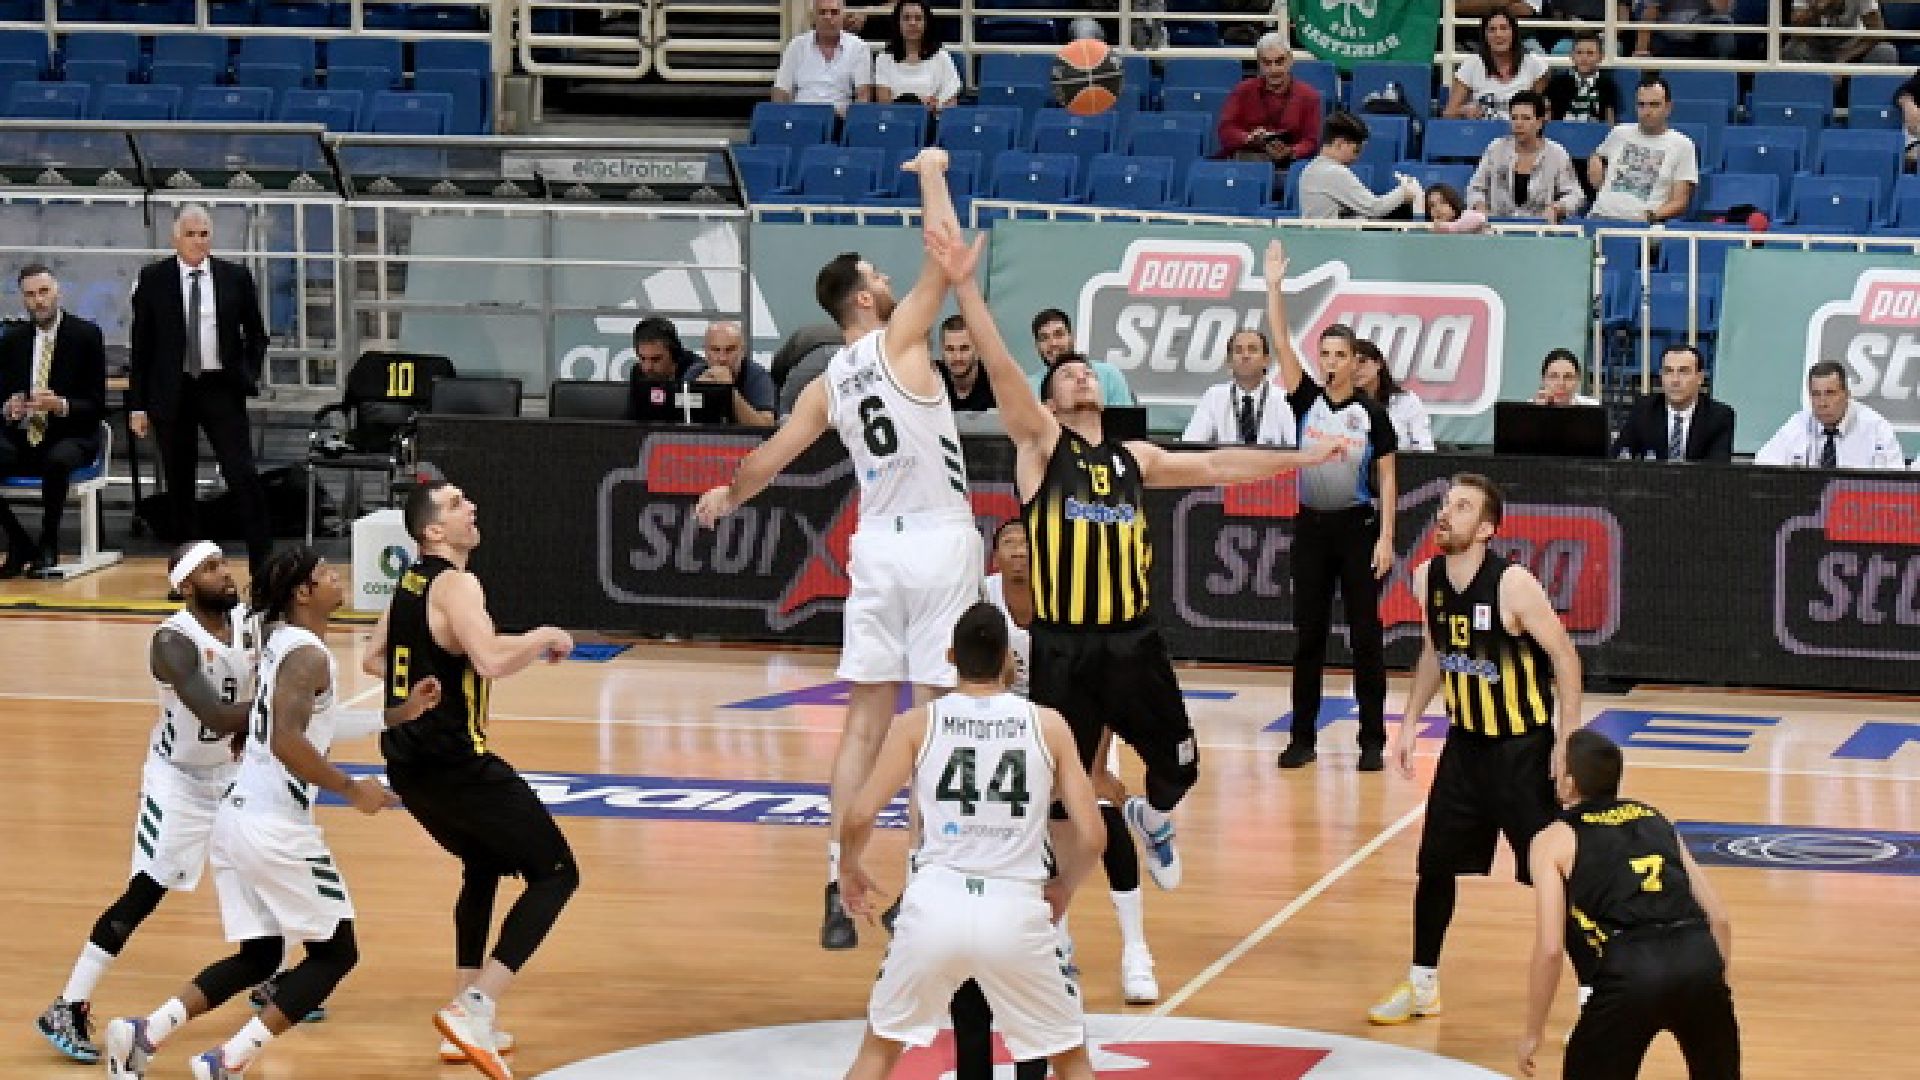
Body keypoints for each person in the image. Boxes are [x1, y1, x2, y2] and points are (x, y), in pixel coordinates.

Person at [923, 220, 1337, 894]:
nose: (1080, 377)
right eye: (1067, 374)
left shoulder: (1134, 459)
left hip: (1134, 642)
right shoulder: (1040, 446)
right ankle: (1048, 914)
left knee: (1181, 768)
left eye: (1087, 371)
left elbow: (1221, 465)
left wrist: (1302, 458)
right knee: (1062, 793)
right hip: (1063, 645)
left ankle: (1153, 816)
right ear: (1049, 399)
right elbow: (1000, 367)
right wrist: (966, 289)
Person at [697, 147, 981, 951]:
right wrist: (932, 174)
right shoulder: (903, 338)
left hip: (877, 548)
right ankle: (920, 885)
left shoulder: (825, 386)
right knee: (936, 718)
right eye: (878, 276)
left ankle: (835, 879)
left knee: (863, 724)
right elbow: (947, 257)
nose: (889, 281)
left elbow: (766, 460)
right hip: (938, 538)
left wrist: (728, 496)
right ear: (864, 297)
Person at [103, 547, 408, 1080]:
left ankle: (143, 1034)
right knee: (336, 954)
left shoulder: (282, 642)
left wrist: (398, 715)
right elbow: (288, 740)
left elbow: (314, 724)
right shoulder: (306, 655)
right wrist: (349, 789)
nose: (338, 578)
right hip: (274, 827)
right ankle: (226, 1060)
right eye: (326, 574)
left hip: (236, 818)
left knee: (262, 956)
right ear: (303, 593)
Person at [363, 479, 580, 1077]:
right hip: (456, 763)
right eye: (458, 504)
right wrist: (541, 636)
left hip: (407, 765)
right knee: (556, 873)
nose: (472, 507)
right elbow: (489, 659)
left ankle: (463, 1017)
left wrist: (429, 675)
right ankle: (476, 1005)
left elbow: (375, 657)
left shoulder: (410, 582)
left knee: (483, 865)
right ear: (434, 530)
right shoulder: (458, 584)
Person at [837, 604, 1106, 1080]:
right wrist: (1064, 885)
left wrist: (849, 868)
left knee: (879, 1050)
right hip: (1014, 907)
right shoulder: (1048, 725)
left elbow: (859, 814)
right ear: (1008, 659)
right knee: (1070, 1059)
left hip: (934, 905)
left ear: (949, 657)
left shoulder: (917, 723)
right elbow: (1094, 836)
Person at [1370, 473, 1589, 1025]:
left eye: (1462, 507)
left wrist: (1566, 742)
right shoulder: (1426, 578)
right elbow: (1434, 653)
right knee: (1434, 867)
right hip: (1464, 749)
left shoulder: (1513, 585)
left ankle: (1594, 993)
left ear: (1487, 528)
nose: (1446, 513)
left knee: (1552, 874)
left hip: (1522, 752)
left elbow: (1566, 658)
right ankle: (1423, 984)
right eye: (1446, 504)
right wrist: (1409, 722)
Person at [34, 544, 255, 1064]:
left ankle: (271, 975)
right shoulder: (172, 642)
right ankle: (67, 1004)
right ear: (185, 586)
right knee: (146, 891)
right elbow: (218, 717)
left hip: (233, 774)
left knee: (262, 867)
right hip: (178, 781)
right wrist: (280, 709)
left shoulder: (250, 623)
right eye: (211, 569)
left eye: (224, 563)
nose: (226, 574)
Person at [982, 517, 1159, 1004]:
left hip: (1080, 724)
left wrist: (1095, 769)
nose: (1019, 550)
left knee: (1104, 825)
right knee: (1029, 834)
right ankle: (1056, 942)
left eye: (1027, 541)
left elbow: (1105, 684)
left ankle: (1136, 949)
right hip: (1014, 733)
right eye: (1009, 541)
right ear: (994, 557)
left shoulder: (1070, 599)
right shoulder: (982, 599)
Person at [1517, 728, 1741, 1079]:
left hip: (1633, 971)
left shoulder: (1552, 840)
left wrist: (1534, 1031)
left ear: (1570, 784)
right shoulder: (1656, 819)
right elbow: (1720, 919)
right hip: (1698, 957)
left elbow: (1550, 949)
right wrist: (1713, 985)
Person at [1266, 240, 1400, 773]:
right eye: (1324, 353)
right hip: (1312, 530)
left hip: (1358, 529)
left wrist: (1387, 537)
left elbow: (1388, 477)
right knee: (1309, 637)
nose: (1330, 362)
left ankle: (1372, 740)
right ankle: (1303, 737)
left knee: (1366, 637)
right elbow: (1280, 340)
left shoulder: (1372, 413)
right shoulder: (1305, 398)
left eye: (1339, 355)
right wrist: (1274, 285)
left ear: (1354, 362)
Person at [128, 204, 271, 580]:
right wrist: (138, 405)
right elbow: (142, 346)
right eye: (190, 234)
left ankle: (264, 568)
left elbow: (256, 334)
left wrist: (247, 374)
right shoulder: (153, 278)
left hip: (220, 387)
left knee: (242, 474)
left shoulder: (234, 276)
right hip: (172, 389)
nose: (197, 241)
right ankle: (189, 573)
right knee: (180, 483)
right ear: (175, 239)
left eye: (204, 234)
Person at [0, 263, 106, 576]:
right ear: (23, 298)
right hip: (24, 434)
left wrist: (58, 404)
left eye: (44, 292)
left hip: (72, 433)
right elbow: (3, 394)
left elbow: (96, 405)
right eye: (30, 295)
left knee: (58, 460)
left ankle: (48, 543)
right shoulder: (12, 339)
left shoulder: (86, 335)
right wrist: (8, 408)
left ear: (58, 292)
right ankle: (19, 541)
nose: (39, 300)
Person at [1216, 33, 1323, 192]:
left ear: (1290, 60)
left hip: (1290, 164)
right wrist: (1248, 138)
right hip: (1250, 160)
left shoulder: (1309, 96)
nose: (1274, 69)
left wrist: (1291, 152)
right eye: (1267, 63)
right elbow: (1226, 130)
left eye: (1279, 61)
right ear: (1259, 63)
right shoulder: (1242, 91)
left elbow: (1311, 141)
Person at [1754, 360, 1907, 469]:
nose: (1822, 403)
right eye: (1816, 394)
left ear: (1846, 394)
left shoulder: (1876, 428)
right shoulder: (1798, 424)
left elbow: (1897, 483)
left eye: (1830, 393)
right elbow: (1763, 465)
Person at [1588, 76, 1698, 225]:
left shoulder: (1683, 145)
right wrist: (1594, 159)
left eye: (1654, 105)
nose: (1647, 111)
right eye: (1641, 105)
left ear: (1668, 108)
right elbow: (1597, 155)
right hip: (1599, 217)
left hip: (1640, 225)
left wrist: (1650, 218)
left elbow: (1680, 201)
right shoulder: (1619, 133)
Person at [1467, 91, 1586, 224]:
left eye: (1526, 118)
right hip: (1497, 227)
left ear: (1539, 122)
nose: (1518, 124)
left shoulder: (1557, 154)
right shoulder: (1495, 149)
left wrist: (1557, 208)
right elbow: (1475, 188)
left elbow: (1576, 196)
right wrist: (1479, 205)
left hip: (1540, 229)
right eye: (1514, 118)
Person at [1610, 344, 1736, 462]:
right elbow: (1618, 458)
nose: (1675, 380)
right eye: (1668, 371)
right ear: (1661, 376)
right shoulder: (1644, 410)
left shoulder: (1719, 416)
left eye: (1683, 371)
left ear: (1700, 378)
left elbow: (1717, 469)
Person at [1181, 329, 1298, 446]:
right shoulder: (1214, 396)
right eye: (1238, 350)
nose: (1245, 356)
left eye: (1252, 349)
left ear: (1266, 361)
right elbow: (1190, 445)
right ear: (1229, 362)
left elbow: (1298, 448)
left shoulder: (1284, 400)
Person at [1300, 111, 1420, 220]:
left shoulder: (1309, 170)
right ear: (1339, 144)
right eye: (1356, 151)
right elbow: (1374, 208)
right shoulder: (1334, 172)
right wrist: (1404, 192)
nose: (1357, 158)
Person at [771, 0, 874, 115]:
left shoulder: (858, 47)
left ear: (843, 16)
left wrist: (848, 120)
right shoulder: (796, 46)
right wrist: (784, 118)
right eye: (822, 12)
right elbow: (781, 90)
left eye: (834, 12)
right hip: (801, 117)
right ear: (813, 17)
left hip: (840, 118)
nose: (828, 17)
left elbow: (863, 96)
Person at [1446, 9, 1550, 120]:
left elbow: (1544, 112)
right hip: (1483, 128)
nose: (1498, 35)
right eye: (1492, 30)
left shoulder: (1534, 64)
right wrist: (1465, 111)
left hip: (1521, 129)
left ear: (1514, 33)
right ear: (1485, 35)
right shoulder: (1472, 64)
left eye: (1504, 28)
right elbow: (1449, 113)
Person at [1030, 308, 1133, 406]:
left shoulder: (1109, 375)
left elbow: (1124, 419)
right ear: (1037, 346)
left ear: (1072, 337)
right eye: (1044, 338)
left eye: (1059, 334)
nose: (1053, 343)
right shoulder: (1029, 388)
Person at [872, 0, 961, 111]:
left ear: (927, 23)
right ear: (898, 23)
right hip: (896, 119)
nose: (912, 23)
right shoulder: (884, 58)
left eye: (918, 18)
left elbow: (951, 104)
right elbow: (884, 105)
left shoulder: (942, 57)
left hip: (933, 119)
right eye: (906, 18)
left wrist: (934, 107)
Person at [686, 321, 777, 426]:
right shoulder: (695, 373)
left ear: (742, 351)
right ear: (706, 352)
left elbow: (766, 425)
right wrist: (698, 391)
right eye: (716, 350)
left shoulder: (757, 376)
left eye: (729, 350)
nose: (722, 358)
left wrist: (729, 391)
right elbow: (678, 419)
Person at [1354, 339, 1435, 453]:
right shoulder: (1342, 403)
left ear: (1378, 363)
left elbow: (1424, 447)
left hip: (1401, 462)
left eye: (1362, 361)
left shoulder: (1406, 401)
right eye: (1350, 364)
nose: (1355, 369)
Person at [1784, 0, 1896, 64]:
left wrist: (1845, 57)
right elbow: (1797, 33)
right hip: (1815, 49)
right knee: (1791, 50)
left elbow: (1878, 32)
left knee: (1885, 52)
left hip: (1852, 48)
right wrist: (1815, 11)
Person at [1546, 30, 1620, 124]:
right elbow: (1549, 117)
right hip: (1563, 131)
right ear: (1572, 56)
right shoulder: (1557, 83)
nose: (1584, 58)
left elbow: (1610, 120)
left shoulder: (1608, 85)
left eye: (1590, 53)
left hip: (1596, 131)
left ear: (1601, 57)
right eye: (1579, 52)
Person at [1631, 0, 1739, 60]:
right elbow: (1649, 13)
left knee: (1723, 29)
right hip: (1668, 35)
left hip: (1703, 34)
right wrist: (1641, 49)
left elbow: (1723, 9)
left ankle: (1721, 73)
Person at [936, 315, 995, 412]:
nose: (957, 357)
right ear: (942, 350)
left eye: (964, 348)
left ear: (978, 349)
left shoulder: (996, 383)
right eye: (950, 349)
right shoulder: (931, 380)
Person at [1535, 348, 1601, 406]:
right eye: (1553, 376)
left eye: (1568, 377)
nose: (1561, 383)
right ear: (1543, 379)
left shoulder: (1593, 407)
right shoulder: (1532, 408)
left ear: (1578, 379)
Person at [1426, 183, 1490, 233]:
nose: (1437, 209)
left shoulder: (1466, 216)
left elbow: (1479, 218)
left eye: (1443, 202)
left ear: (1453, 205)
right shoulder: (1429, 230)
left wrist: (1447, 228)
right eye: (1432, 205)